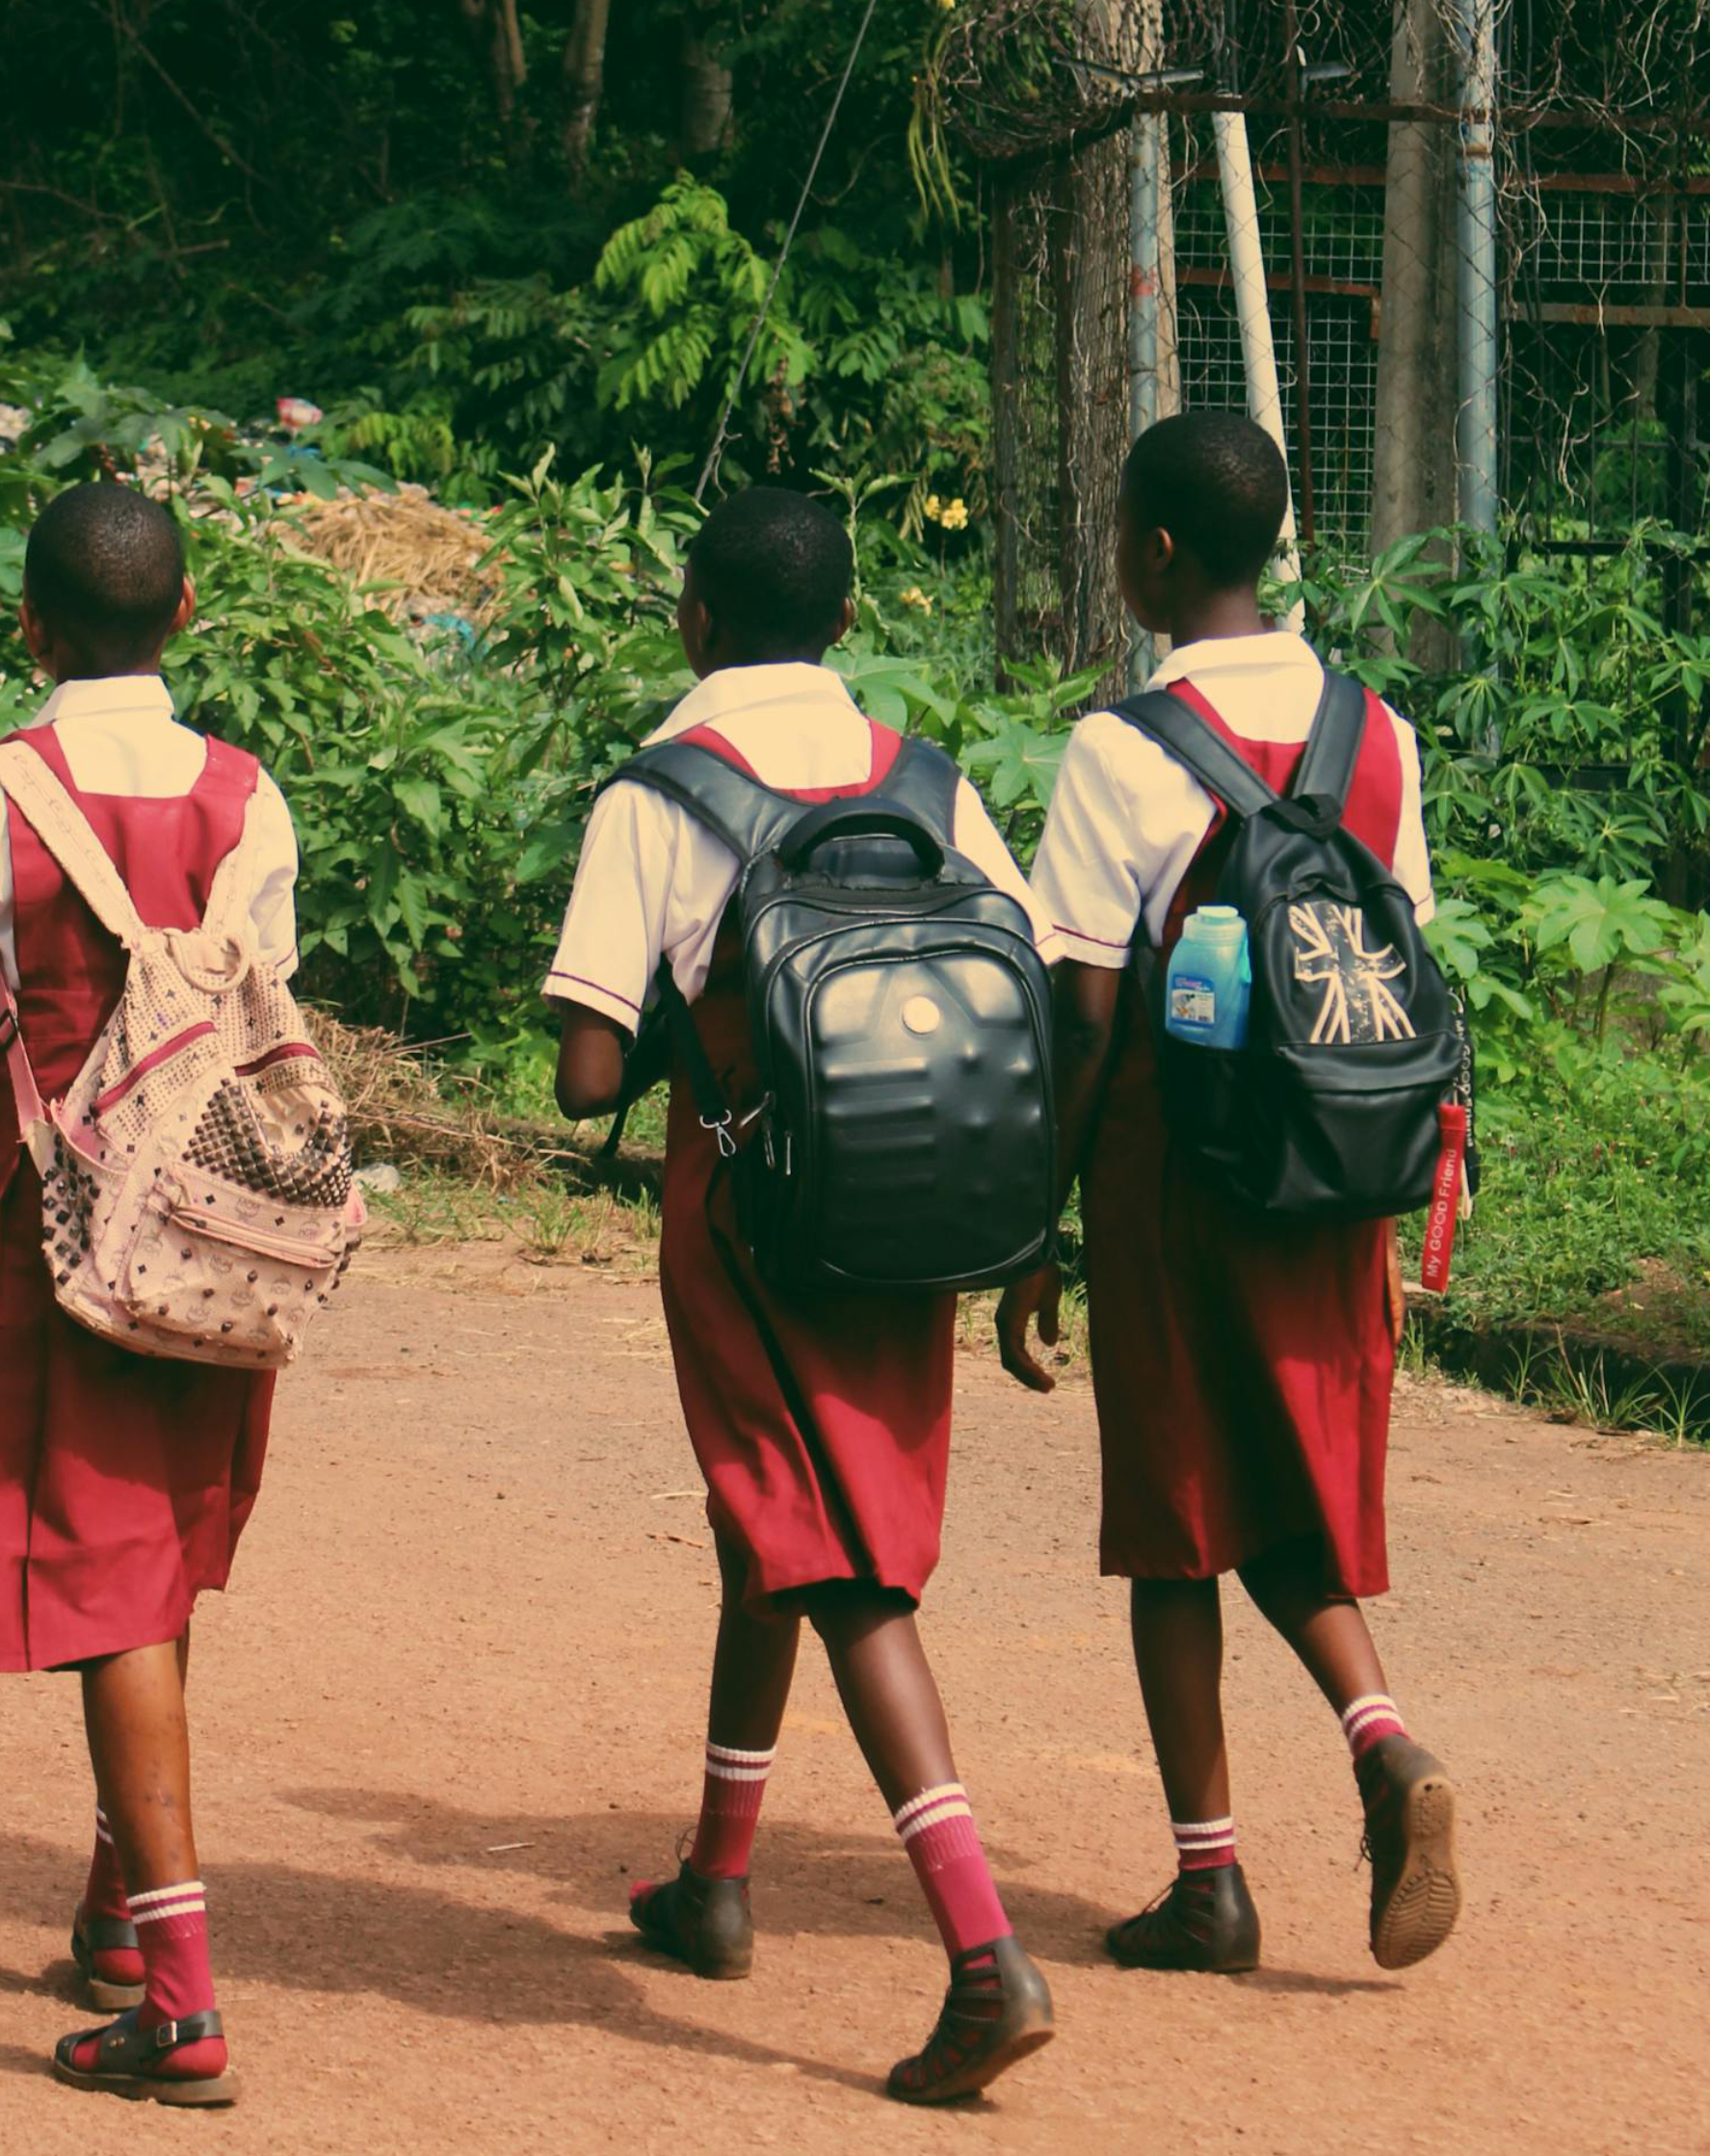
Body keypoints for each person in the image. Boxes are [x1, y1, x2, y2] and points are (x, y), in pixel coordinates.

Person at [547, 486, 1062, 2104]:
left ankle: (984, 1952)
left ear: (691, 618)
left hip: (753, 1217)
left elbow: (583, 1075)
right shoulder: (926, 776)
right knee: (773, 1520)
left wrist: (673, 1012)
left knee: (835, 1560)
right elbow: (1032, 987)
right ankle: (717, 1873)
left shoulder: (661, 791)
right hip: (923, 1205)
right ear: (848, 623)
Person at [998, 412, 1461, 1977]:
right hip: (1339, 1161)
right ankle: (1381, 1733)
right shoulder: (1377, 732)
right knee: (1294, 1480)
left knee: (1178, 1515)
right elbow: (1394, 949)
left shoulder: (1120, 749)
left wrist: (1038, 1227)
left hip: (1175, 1165)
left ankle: (1213, 1882)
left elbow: (1083, 1016)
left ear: (1154, 554)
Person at [0, 481, 302, 2106]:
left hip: (52, 1233)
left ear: (30, 626)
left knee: (108, 1584)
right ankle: (117, 1913)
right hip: (216, 1234)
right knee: (154, 1554)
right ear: (184, 614)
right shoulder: (250, 798)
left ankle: (180, 2006)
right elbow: (261, 1011)